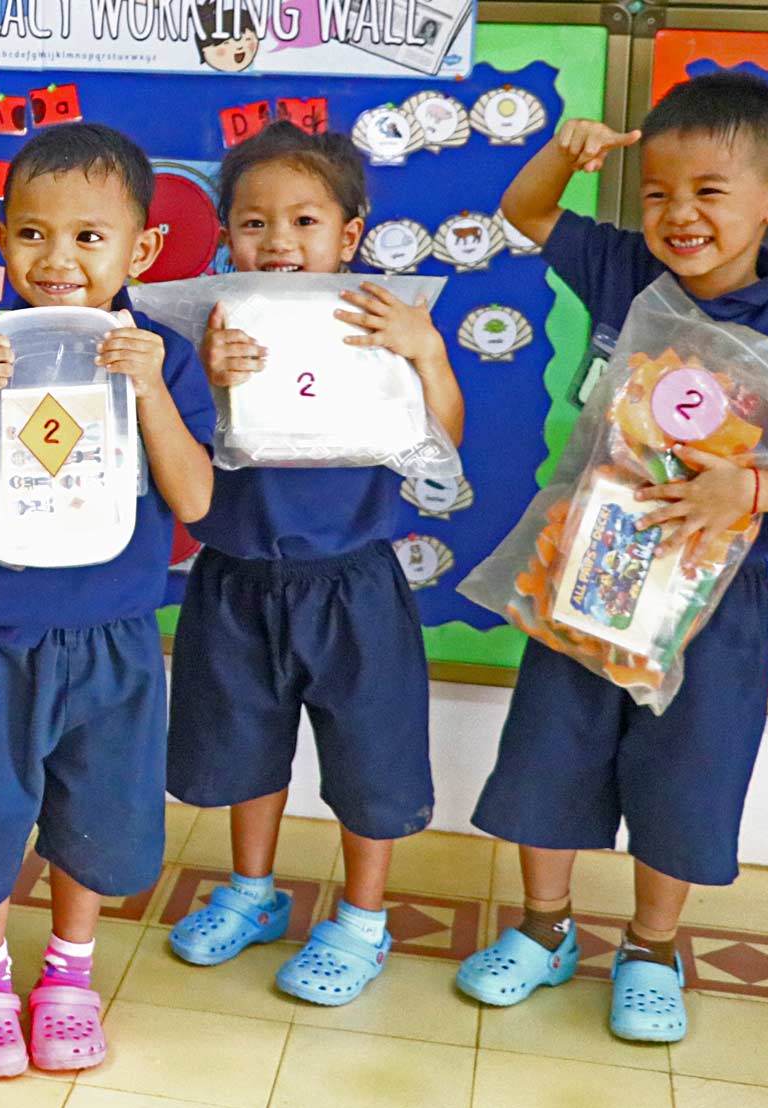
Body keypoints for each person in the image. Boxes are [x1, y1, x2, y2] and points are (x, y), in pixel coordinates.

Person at [457, 72, 768, 1043]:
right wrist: (566, 152)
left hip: (713, 609)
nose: (678, 215)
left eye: (708, 192)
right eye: (658, 193)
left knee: (687, 779)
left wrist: (751, 488)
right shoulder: (623, 272)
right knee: (548, 759)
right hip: (583, 580)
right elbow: (523, 209)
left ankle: (648, 945)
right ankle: (544, 927)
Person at [0, 122, 216, 1077]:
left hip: (110, 638)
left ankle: (69, 975)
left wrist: (150, 389)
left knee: (97, 810)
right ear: (1, 238)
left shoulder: (164, 358)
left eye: (88, 237)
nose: (58, 259)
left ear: (140, 250)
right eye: (32, 234)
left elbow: (194, 499)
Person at [165, 120, 464, 1007]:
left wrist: (428, 350)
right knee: (242, 748)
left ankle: (364, 919)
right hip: (237, 576)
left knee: (372, 762)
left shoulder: (383, 319)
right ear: (227, 236)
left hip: (354, 583)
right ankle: (253, 892)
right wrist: (209, 376)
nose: (279, 242)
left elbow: (442, 443)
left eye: (304, 221)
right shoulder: (211, 327)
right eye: (254, 223)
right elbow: (182, 448)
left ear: (351, 233)